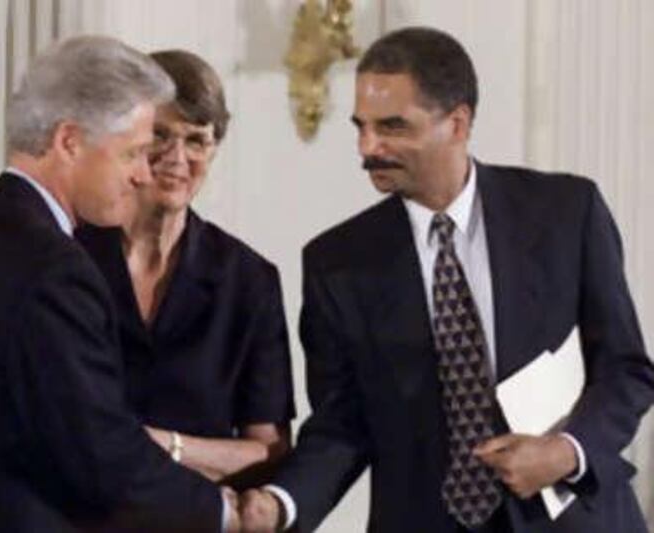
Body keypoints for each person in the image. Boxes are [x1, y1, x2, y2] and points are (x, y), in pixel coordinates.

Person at [240, 27, 654, 532]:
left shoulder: (566, 213)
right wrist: (282, 503)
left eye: (392, 126)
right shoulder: (337, 262)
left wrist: (567, 452)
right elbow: (341, 424)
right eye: (361, 126)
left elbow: (626, 370)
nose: (368, 147)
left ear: (457, 123)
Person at [0, 36, 239, 532]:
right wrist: (223, 513)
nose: (144, 174)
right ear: (70, 141)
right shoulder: (54, 268)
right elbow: (99, 455)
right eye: (135, 153)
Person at [76, 49, 295, 490]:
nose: (177, 159)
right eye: (160, 136)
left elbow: (270, 451)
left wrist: (167, 447)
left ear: (214, 151)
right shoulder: (67, 258)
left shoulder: (249, 280)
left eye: (196, 140)